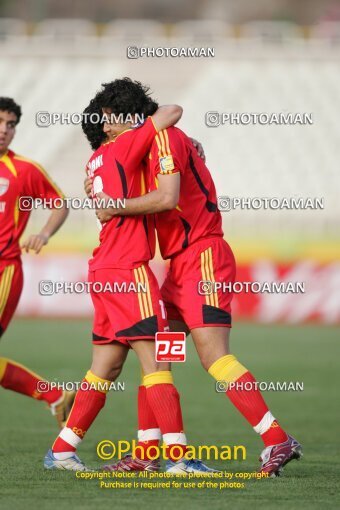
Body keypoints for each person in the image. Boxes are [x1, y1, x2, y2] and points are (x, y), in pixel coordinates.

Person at [86, 80, 303, 477]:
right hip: (179, 266)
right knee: (157, 359)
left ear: (134, 118)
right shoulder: (151, 146)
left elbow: (168, 198)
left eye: (111, 122)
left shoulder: (164, 139)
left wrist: (113, 206)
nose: (106, 131)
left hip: (202, 256)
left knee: (213, 356)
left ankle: (277, 439)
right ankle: (148, 453)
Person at [44, 82, 216, 474]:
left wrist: (187, 148)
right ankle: (177, 459)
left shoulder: (97, 163)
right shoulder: (125, 145)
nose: (131, 119)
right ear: (106, 124)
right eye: (118, 114)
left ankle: (62, 450)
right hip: (128, 270)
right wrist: (166, 132)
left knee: (106, 366)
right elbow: (171, 111)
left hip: (103, 269)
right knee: (159, 364)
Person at [0, 97, 73, 428]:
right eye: (0, 122)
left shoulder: (25, 170)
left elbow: (60, 204)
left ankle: (52, 395)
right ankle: (55, 396)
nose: (4, 131)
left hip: (4, 270)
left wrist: (43, 234)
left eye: (11, 125)